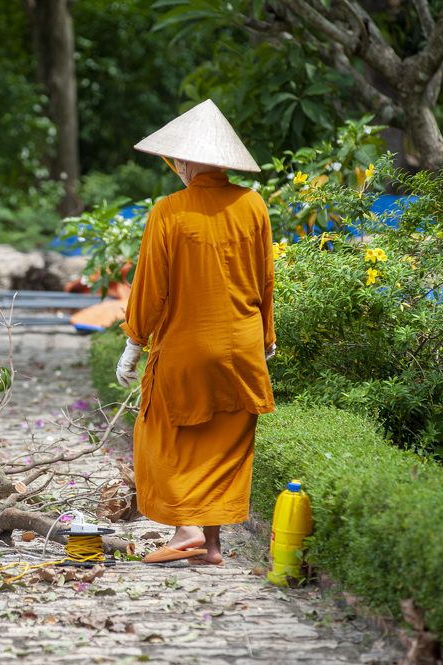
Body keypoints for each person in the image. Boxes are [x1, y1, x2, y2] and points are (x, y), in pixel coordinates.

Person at [117, 100, 276, 565]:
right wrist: (266, 341)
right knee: (223, 445)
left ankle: (186, 529)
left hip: (187, 351)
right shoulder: (253, 204)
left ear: (185, 161)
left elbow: (150, 288)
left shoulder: (170, 211)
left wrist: (133, 343)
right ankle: (211, 545)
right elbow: (266, 280)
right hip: (243, 349)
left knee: (161, 439)